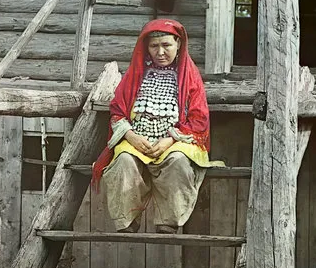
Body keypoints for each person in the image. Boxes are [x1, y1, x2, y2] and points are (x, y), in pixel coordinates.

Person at [92, 19, 223, 233]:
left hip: (175, 141)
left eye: (166, 45)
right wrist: (131, 137)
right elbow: (117, 112)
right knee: (123, 160)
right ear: (147, 48)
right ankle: (127, 220)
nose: (160, 52)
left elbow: (199, 118)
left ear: (178, 43)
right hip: (136, 140)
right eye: (154, 46)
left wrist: (170, 139)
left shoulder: (189, 76)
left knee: (179, 161)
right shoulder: (135, 74)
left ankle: (168, 221)